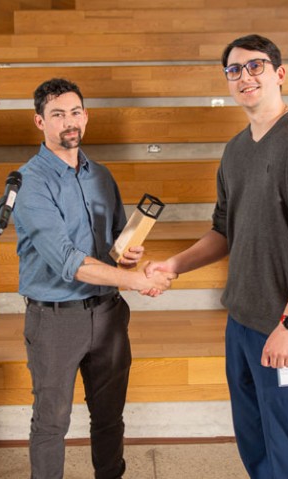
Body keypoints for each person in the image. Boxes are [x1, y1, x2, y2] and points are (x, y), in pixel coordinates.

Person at [145, 35, 288, 479]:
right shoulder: (235, 150)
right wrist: (174, 265)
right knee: (254, 439)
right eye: (234, 70)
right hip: (241, 321)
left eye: (255, 66)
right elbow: (224, 230)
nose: (245, 76)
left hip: (286, 327)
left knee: (287, 442)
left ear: (279, 74)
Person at [12, 78, 176, 479]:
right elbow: (69, 261)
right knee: (51, 423)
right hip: (56, 319)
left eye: (74, 112)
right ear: (39, 122)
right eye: (57, 114)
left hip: (107, 314)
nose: (69, 122)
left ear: (84, 116)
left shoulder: (100, 175)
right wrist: (137, 281)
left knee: (109, 417)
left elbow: (115, 247)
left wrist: (128, 256)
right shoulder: (29, 181)